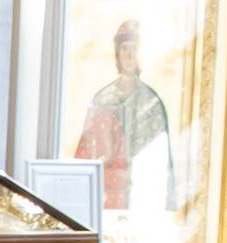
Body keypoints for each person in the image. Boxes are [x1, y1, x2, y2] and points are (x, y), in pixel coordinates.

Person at [75, 16, 177, 225]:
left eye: (135, 49)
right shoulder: (102, 99)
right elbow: (85, 157)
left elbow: (160, 162)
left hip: (142, 199)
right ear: (117, 54)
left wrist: (138, 174)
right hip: (105, 197)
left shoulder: (151, 102)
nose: (130, 56)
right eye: (125, 49)